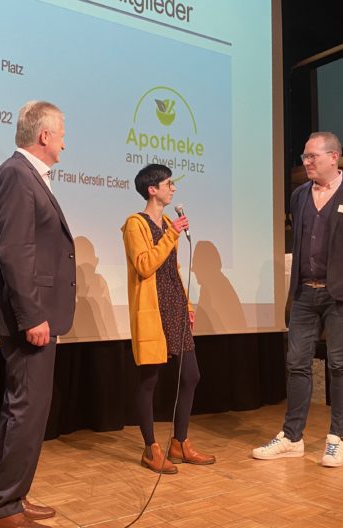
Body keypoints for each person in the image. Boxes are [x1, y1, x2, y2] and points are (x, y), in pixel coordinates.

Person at [252, 131, 343, 467]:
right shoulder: (299, 196)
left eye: (312, 156)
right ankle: (292, 437)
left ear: (333, 157)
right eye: (304, 157)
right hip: (303, 294)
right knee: (296, 363)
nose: (307, 162)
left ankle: (336, 438)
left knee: (339, 363)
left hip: (340, 296)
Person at [0, 101, 76, 528]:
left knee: (22, 408)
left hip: (33, 313)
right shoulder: (18, 175)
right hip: (30, 316)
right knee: (27, 408)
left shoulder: (25, 176)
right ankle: (4, 510)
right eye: (60, 134)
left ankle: (11, 497)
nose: (63, 141)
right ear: (44, 136)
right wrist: (32, 315)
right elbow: (14, 251)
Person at [122, 164, 216, 474]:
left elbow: (172, 271)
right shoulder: (135, 224)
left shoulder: (165, 222)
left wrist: (187, 302)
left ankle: (180, 443)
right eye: (168, 183)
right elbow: (145, 265)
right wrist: (171, 235)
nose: (172, 188)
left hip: (174, 304)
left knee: (191, 375)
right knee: (149, 381)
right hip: (153, 309)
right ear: (152, 189)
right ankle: (151, 449)